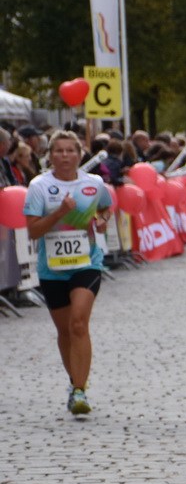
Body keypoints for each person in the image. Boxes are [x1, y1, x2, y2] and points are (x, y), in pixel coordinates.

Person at [24, 130, 113, 416]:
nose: (64, 156)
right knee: (64, 331)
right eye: (58, 151)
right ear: (50, 155)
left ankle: (79, 389)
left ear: (80, 154)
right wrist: (60, 212)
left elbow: (105, 209)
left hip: (87, 262)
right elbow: (34, 230)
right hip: (52, 269)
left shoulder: (93, 184)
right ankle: (74, 381)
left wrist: (101, 222)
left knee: (78, 324)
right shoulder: (39, 186)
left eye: (70, 151)